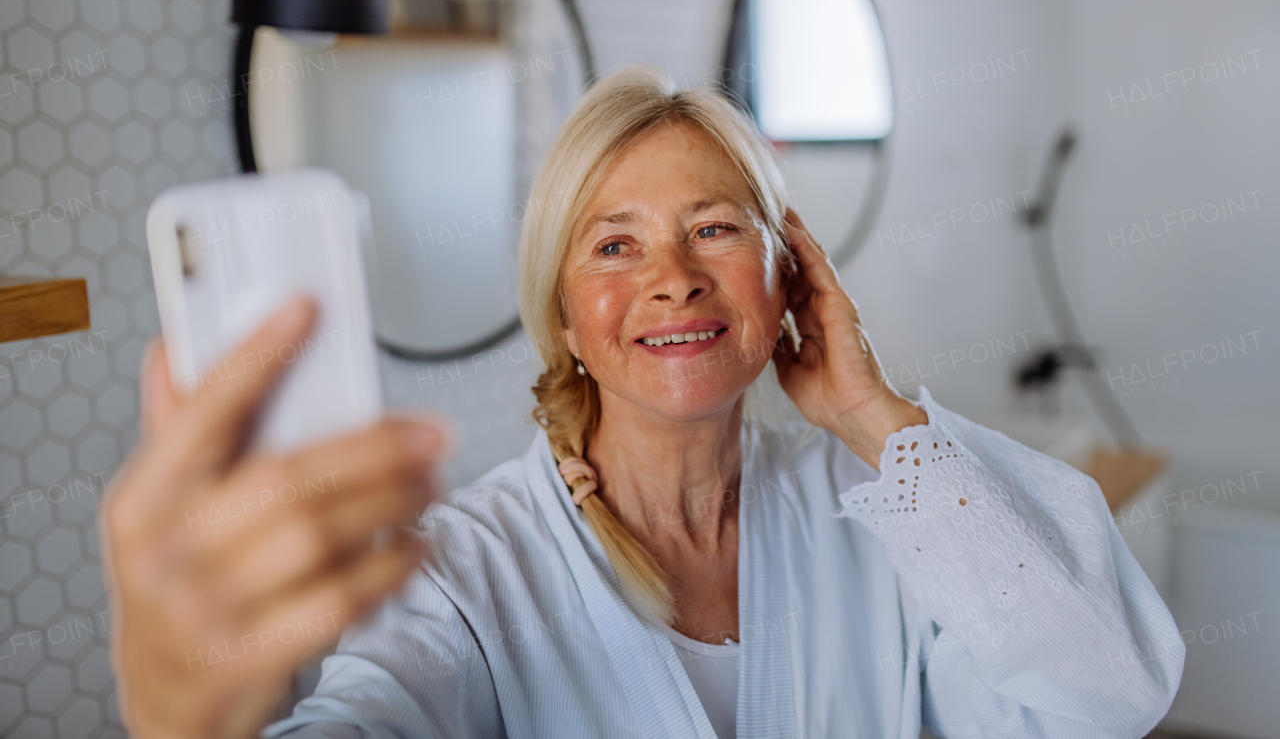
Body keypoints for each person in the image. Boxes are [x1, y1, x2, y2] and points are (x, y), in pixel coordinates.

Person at [104, 66, 1184, 739]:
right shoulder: (469, 568)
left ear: (786, 274)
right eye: (614, 244)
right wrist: (183, 721)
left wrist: (870, 409)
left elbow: (1111, 689)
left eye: (714, 228)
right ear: (565, 316)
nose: (672, 275)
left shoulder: (884, 512)